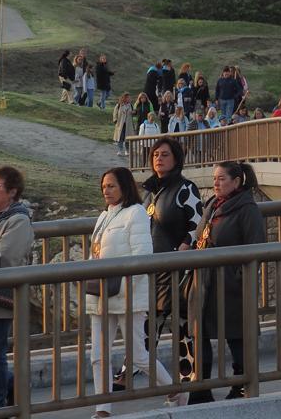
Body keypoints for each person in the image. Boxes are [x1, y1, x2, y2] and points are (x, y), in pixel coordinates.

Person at [87, 167, 174, 416]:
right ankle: (103, 408)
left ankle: (174, 389)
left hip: (126, 296)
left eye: (111, 185)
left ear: (124, 187)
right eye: (104, 186)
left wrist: (125, 289)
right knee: (98, 354)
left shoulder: (135, 213)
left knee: (136, 354)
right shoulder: (105, 215)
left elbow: (142, 256)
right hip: (102, 292)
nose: (106, 190)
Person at [187, 162, 265, 402]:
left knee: (237, 335)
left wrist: (240, 279)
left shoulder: (247, 209)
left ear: (237, 182)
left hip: (232, 284)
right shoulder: (212, 204)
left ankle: (242, 384)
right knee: (199, 334)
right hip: (205, 280)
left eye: (222, 178)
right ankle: (201, 388)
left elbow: (256, 248)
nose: (216, 183)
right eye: (215, 178)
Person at [134, 137, 203, 402]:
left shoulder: (186, 188)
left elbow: (197, 222)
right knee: (151, 323)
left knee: (182, 327)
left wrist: (185, 246)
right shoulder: (151, 191)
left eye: (164, 154)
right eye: (155, 155)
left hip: (178, 269)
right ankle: (133, 376)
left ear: (175, 158)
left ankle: (186, 383)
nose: (159, 159)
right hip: (153, 269)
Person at [0, 167, 33, 408]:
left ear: (12, 192)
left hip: (1, 294)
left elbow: (4, 257)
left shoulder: (18, 220)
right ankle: (11, 384)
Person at [111, 93, 133, 157]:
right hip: (120, 124)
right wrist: (115, 121)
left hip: (128, 125)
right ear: (125, 98)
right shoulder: (119, 105)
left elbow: (134, 112)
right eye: (128, 98)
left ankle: (127, 150)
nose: (129, 99)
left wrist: (134, 112)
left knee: (127, 138)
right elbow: (115, 113)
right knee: (120, 137)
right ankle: (120, 150)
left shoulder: (130, 105)